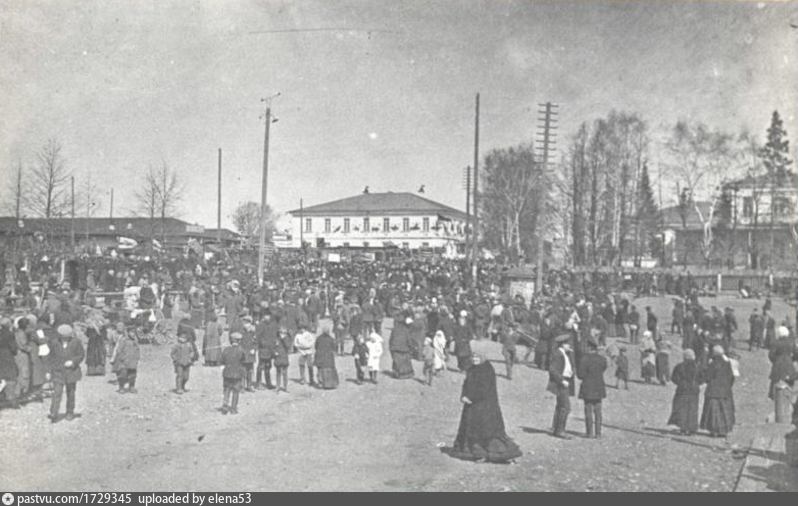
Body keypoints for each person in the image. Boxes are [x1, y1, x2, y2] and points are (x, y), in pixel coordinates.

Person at [445, 353, 522, 463]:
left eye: (477, 357)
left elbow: (485, 388)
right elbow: (466, 384)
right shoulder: (472, 369)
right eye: (473, 357)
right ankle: (477, 454)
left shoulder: (487, 370)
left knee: (487, 430)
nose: (475, 359)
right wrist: (463, 396)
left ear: (483, 358)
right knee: (472, 428)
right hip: (472, 405)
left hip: (485, 405)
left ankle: (497, 454)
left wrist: (471, 397)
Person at [48, 324, 85, 423]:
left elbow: (81, 355)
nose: (64, 339)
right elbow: (51, 357)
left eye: (67, 337)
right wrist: (49, 371)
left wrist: (73, 362)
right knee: (57, 392)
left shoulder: (76, 342)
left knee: (71, 393)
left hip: (71, 371)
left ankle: (70, 412)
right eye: (63, 337)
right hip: (58, 371)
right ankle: (54, 412)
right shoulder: (54, 343)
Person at [700, 345, 736, 438]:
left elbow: (707, 377)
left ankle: (714, 430)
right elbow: (732, 378)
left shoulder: (713, 363)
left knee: (713, 412)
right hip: (725, 391)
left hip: (713, 391)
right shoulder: (727, 364)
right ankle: (724, 430)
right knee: (724, 411)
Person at [577, 340, 607, 438]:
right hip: (599, 387)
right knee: (598, 411)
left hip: (588, 387)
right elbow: (604, 369)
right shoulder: (602, 359)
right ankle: (598, 433)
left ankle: (589, 432)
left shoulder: (584, 359)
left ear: (589, 348)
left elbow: (580, 375)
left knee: (588, 410)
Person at [548, 335, 576, 439]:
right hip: (561, 383)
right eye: (568, 344)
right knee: (565, 407)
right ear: (563, 344)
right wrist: (561, 380)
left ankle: (556, 428)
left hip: (565, 381)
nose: (570, 346)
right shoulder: (558, 354)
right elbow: (552, 370)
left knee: (561, 406)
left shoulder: (565, 354)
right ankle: (560, 430)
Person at [667, 349, 701, 435]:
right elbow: (702, 378)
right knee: (693, 409)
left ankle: (683, 428)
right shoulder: (697, 366)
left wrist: (681, 383)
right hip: (694, 390)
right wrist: (696, 384)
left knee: (682, 409)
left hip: (682, 389)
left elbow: (674, 378)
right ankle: (692, 429)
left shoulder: (679, 366)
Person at [220, 332, 246, 415]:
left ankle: (225, 406)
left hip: (227, 374)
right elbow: (244, 361)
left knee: (226, 390)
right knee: (235, 391)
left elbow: (222, 361)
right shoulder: (241, 350)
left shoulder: (226, 350)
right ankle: (233, 409)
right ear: (239, 341)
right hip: (237, 375)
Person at [768, 326, 794, 400]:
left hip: (778, 363)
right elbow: (796, 353)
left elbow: (771, 355)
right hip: (788, 362)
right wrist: (791, 359)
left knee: (775, 380)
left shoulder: (776, 343)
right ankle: (787, 394)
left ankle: (774, 395)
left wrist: (775, 360)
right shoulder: (791, 343)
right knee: (788, 379)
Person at [112, 326, 140, 394]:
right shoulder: (124, 340)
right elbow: (119, 350)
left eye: (134, 332)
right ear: (128, 332)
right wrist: (121, 358)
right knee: (123, 375)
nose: (133, 334)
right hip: (124, 362)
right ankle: (121, 387)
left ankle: (131, 387)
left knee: (133, 375)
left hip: (132, 361)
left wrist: (137, 358)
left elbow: (137, 349)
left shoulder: (135, 340)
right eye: (131, 332)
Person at [0, 318, 20, 409]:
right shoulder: (10, 334)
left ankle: (3, 396)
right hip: (7, 355)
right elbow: (14, 349)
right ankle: (12, 399)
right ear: (8, 324)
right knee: (11, 377)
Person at [389, 313, 415, 379]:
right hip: (404, 348)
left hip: (395, 348)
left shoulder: (394, 329)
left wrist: (391, 347)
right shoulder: (406, 330)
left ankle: (397, 374)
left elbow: (391, 339)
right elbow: (409, 340)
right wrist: (411, 347)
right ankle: (406, 374)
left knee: (397, 361)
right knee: (406, 362)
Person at [314, 325, 339, 389]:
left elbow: (315, 347)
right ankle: (330, 384)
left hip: (319, 357)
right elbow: (334, 347)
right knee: (329, 370)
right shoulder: (331, 339)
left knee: (320, 370)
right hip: (328, 357)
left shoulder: (318, 338)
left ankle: (321, 383)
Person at [273, 327, 292, 393]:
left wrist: (284, 339)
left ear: (286, 334)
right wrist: (274, 352)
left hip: (284, 358)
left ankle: (285, 387)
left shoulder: (287, 339)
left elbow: (288, 347)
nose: (282, 334)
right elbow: (273, 347)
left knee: (285, 373)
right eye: (281, 333)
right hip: (278, 358)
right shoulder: (276, 339)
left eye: (284, 333)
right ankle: (277, 386)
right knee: (278, 373)